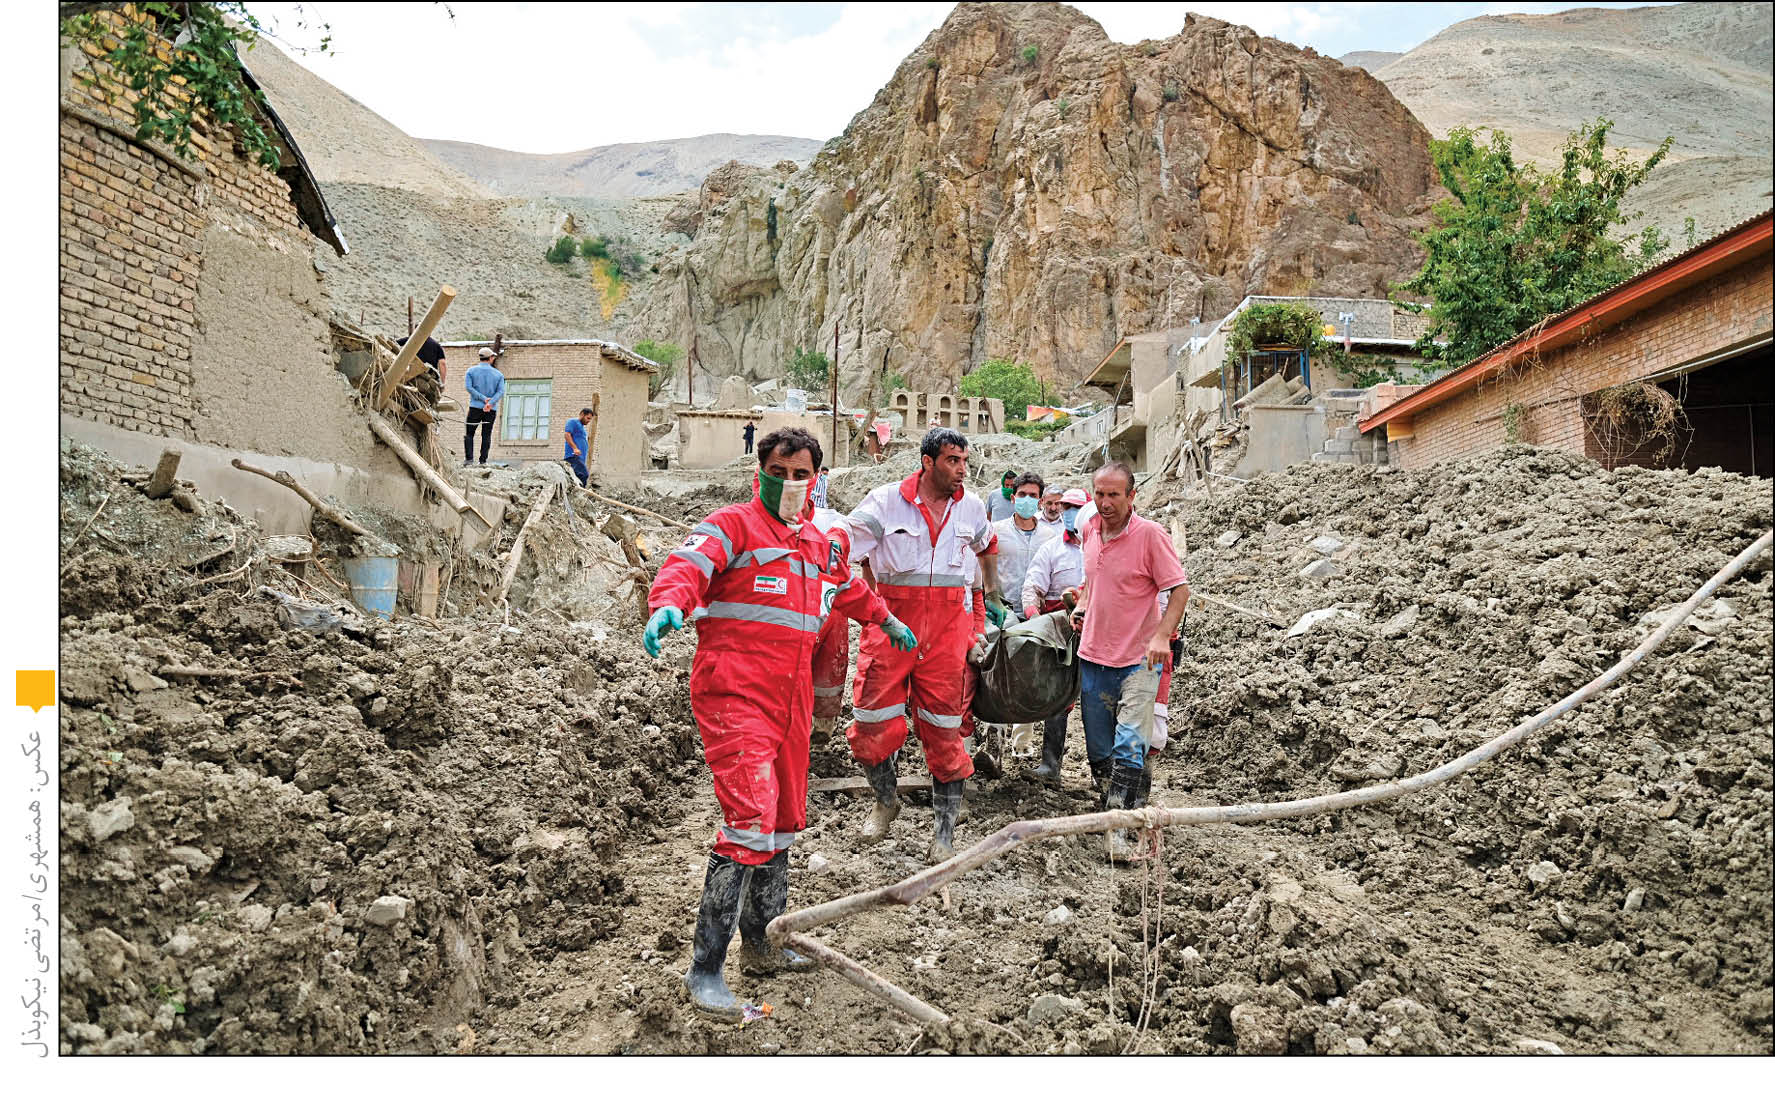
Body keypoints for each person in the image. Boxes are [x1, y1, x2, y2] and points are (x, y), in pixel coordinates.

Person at [644, 426, 917, 1019]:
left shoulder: (818, 543)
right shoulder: (732, 526)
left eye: (801, 475)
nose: (790, 484)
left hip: (790, 698)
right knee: (749, 818)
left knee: (786, 820)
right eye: (779, 472)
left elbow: (848, 590)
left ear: (815, 480)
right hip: (734, 693)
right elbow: (688, 564)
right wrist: (670, 604)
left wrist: (886, 621)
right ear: (759, 474)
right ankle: (705, 970)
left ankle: (763, 947)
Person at [844, 427, 1007, 862]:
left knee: (946, 729)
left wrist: (991, 595)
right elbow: (844, 543)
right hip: (892, 623)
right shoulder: (884, 502)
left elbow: (988, 542)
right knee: (870, 720)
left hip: (949, 631)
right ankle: (885, 800)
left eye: (965, 461)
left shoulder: (971, 506)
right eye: (953, 460)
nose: (962, 470)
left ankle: (944, 833)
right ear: (927, 461)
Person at [1071, 462, 1190, 861]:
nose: (1104, 503)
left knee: (1129, 744)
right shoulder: (1089, 530)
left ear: (1131, 496)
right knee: (1098, 749)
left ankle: (1118, 830)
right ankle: (1125, 808)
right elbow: (1093, 581)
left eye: (1113, 495)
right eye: (1099, 494)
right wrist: (1084, 606)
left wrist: (1161, 636)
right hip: (1093, 656)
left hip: (1139, 659)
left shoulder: (1150, 536)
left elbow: (1179, 590)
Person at [990, 471, 1060, 760]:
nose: (1028, 500)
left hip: (1036, 614)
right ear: (1013, 496)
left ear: (1041, 500)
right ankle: (994, 738)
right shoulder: (995, 530)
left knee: (1031, 674)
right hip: (1003, 611)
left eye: (1033, 496)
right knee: (997, 671)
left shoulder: (1050, 536)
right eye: (1023, 495)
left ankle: (1022, 741)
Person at [1021, 487, 1089, 783]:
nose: (1070, 513)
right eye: (1066, 507)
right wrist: (1037, 622)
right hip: (1060, 633)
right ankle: (1051, 766)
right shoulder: (1051, 549)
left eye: (1076, 507)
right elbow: (1032, 587)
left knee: (1100, 699)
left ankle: (1105, 770)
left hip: (1099, 632)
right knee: (1059, 697)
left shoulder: (1101, 547)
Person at [463, 347, 505, 466]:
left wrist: (482, 398)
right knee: (486, 434)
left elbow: (469, 388)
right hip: (490, 409)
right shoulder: (498, 375)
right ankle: (483, 461)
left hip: (475, 407)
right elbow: (501, 391)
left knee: (469, 433)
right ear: (491, 358)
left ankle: (469, 459)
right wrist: (490, 403)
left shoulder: (471, 371)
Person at [562, 406, 593, 486]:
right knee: (583, 474)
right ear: (582, 414)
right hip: (573, 457)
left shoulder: (581, 427)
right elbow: (567, 434)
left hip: (580, 459)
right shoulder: (573, 422)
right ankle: (580, 494)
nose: (589, 421)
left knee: (577, 477)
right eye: (588, 418)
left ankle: (577, 493)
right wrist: (575, 448)